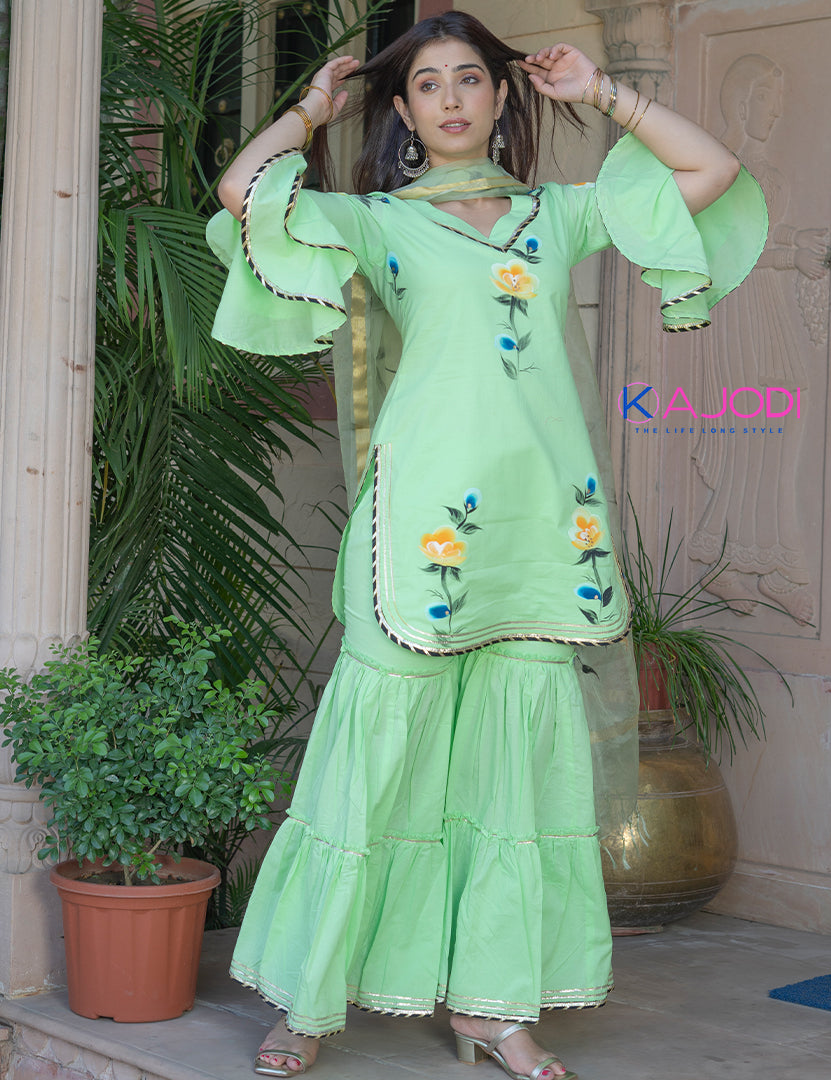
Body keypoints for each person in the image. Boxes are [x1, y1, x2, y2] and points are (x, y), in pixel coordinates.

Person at [208, 11, 766, 1079]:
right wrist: (311, 110)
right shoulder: (377, 221)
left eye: (470, 78)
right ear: (404, 110)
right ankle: (309, 1003)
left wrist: (600, 93)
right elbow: (245, 193)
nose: (452, 99)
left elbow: (711, 170)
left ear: (503, 97)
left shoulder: (560, 214)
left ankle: (493, 1008)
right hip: (419, 528)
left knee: (516, 778)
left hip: (541, 530)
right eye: (428, 85)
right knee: (374, 765)